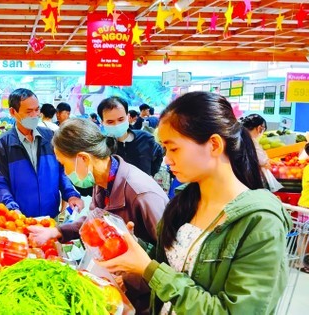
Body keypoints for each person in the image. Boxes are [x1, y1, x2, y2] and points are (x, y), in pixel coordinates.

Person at [98, 91, 291, 314]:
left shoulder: (260, 222)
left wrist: (150, 270)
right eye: (165, 149)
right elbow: (180, 265)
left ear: (214, 145)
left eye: (174, 148)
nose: (167, 159)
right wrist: (135, 250)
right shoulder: (184, 203)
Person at [27, 118, 168, 315]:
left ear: (83, 159)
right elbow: (95, 221)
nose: (65, 173)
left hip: (147, 300)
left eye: (64, 165)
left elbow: (170, 256)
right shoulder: (102, 180)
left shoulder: (141, 194)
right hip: (122, 290)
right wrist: (56, 231)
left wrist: (132, 276)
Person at [0, 88, 83, 218]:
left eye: (37, 110)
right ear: (13, 112)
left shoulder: (51, 138)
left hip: (50, 218)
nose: (34, 115)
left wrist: (71, 194)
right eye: (29, 111)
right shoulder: (3, 144)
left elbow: (62, 171)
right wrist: (11, 207)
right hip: (20, 220)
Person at [98, 97, 164, 176]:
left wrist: (151, 174)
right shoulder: (102, 147)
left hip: (143, 186)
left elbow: (158, 154)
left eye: (121, 119)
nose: (116, 125)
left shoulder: (145, 138)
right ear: (102, 122)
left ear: (128, 116)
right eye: (110, 122)